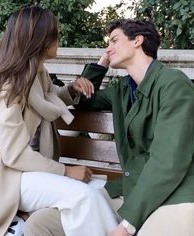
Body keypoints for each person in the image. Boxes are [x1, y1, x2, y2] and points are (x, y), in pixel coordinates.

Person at [24, 19, 194, 236]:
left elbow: (168, 162)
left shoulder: (174, 85)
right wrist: (103, 62)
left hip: (174, 198)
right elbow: (84, 100)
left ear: (138, 41)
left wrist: (127, 225)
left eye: (114, 40)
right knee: (41, 223)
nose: (108, 47)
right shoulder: (123, 89)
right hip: (129, 191)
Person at [0, 5, 119, 236]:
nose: (59, 38)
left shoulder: (36, 73)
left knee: (94, 193)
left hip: (32, 172)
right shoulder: (8, 86)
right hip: (8, 177)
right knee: (84, 197)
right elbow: (15, 156)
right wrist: (66, 171)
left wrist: (71, 89)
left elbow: (48, 99)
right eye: (54, 34)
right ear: (40, 40)